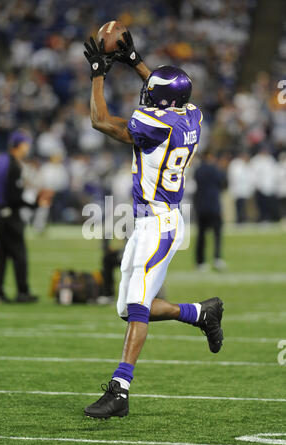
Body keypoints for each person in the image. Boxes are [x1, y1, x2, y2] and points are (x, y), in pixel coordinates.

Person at [82, 33, 224, 420]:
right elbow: (165, 92)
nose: (145, 98)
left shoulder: (153, 125)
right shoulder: (191, 114)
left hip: (158, 224)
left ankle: (120, 391)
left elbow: (98, 120)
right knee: (126, 310)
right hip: (154, 222)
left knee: (138, 308)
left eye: (150, 94)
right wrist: (135, 60)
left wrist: (98, 74)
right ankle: (199, 313)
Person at [0, 129, 51, 303]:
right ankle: (22, 292)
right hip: (7, 214)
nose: (27, 148)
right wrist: (36, 204)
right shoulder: (13, 166)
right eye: (26, 144)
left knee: (1, 254)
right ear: (19, 145)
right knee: (19, 253)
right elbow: (14, 198)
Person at [194, 152, 226, 271]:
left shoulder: (198, 170)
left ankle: (200, 262)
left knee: (201, 235)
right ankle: (217, 258)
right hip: (213, 205)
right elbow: (222, 182)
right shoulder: (215, 169)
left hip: (201, 205)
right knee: (217, 234)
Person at [227, 152, 254, 223]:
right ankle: (240, 219)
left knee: (243, 205)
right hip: (238, 189)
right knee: (239, 205)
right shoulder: (236, 164)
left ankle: (243, 218)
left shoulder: (243, 164)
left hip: (242, 189)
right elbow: (236, 177)